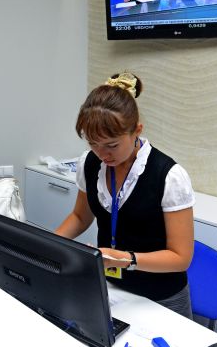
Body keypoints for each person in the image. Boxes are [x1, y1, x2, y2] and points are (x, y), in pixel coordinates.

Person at [55, 72, 195, 318]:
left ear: (136, 131)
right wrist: (49, 245)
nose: (102, 154)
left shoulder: (169, 176)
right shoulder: (90, 164)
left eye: (112, 145)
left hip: (161, 298)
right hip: (109, 287)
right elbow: (79, 217)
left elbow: (180, 257)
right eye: (93, 144)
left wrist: (126, 259)